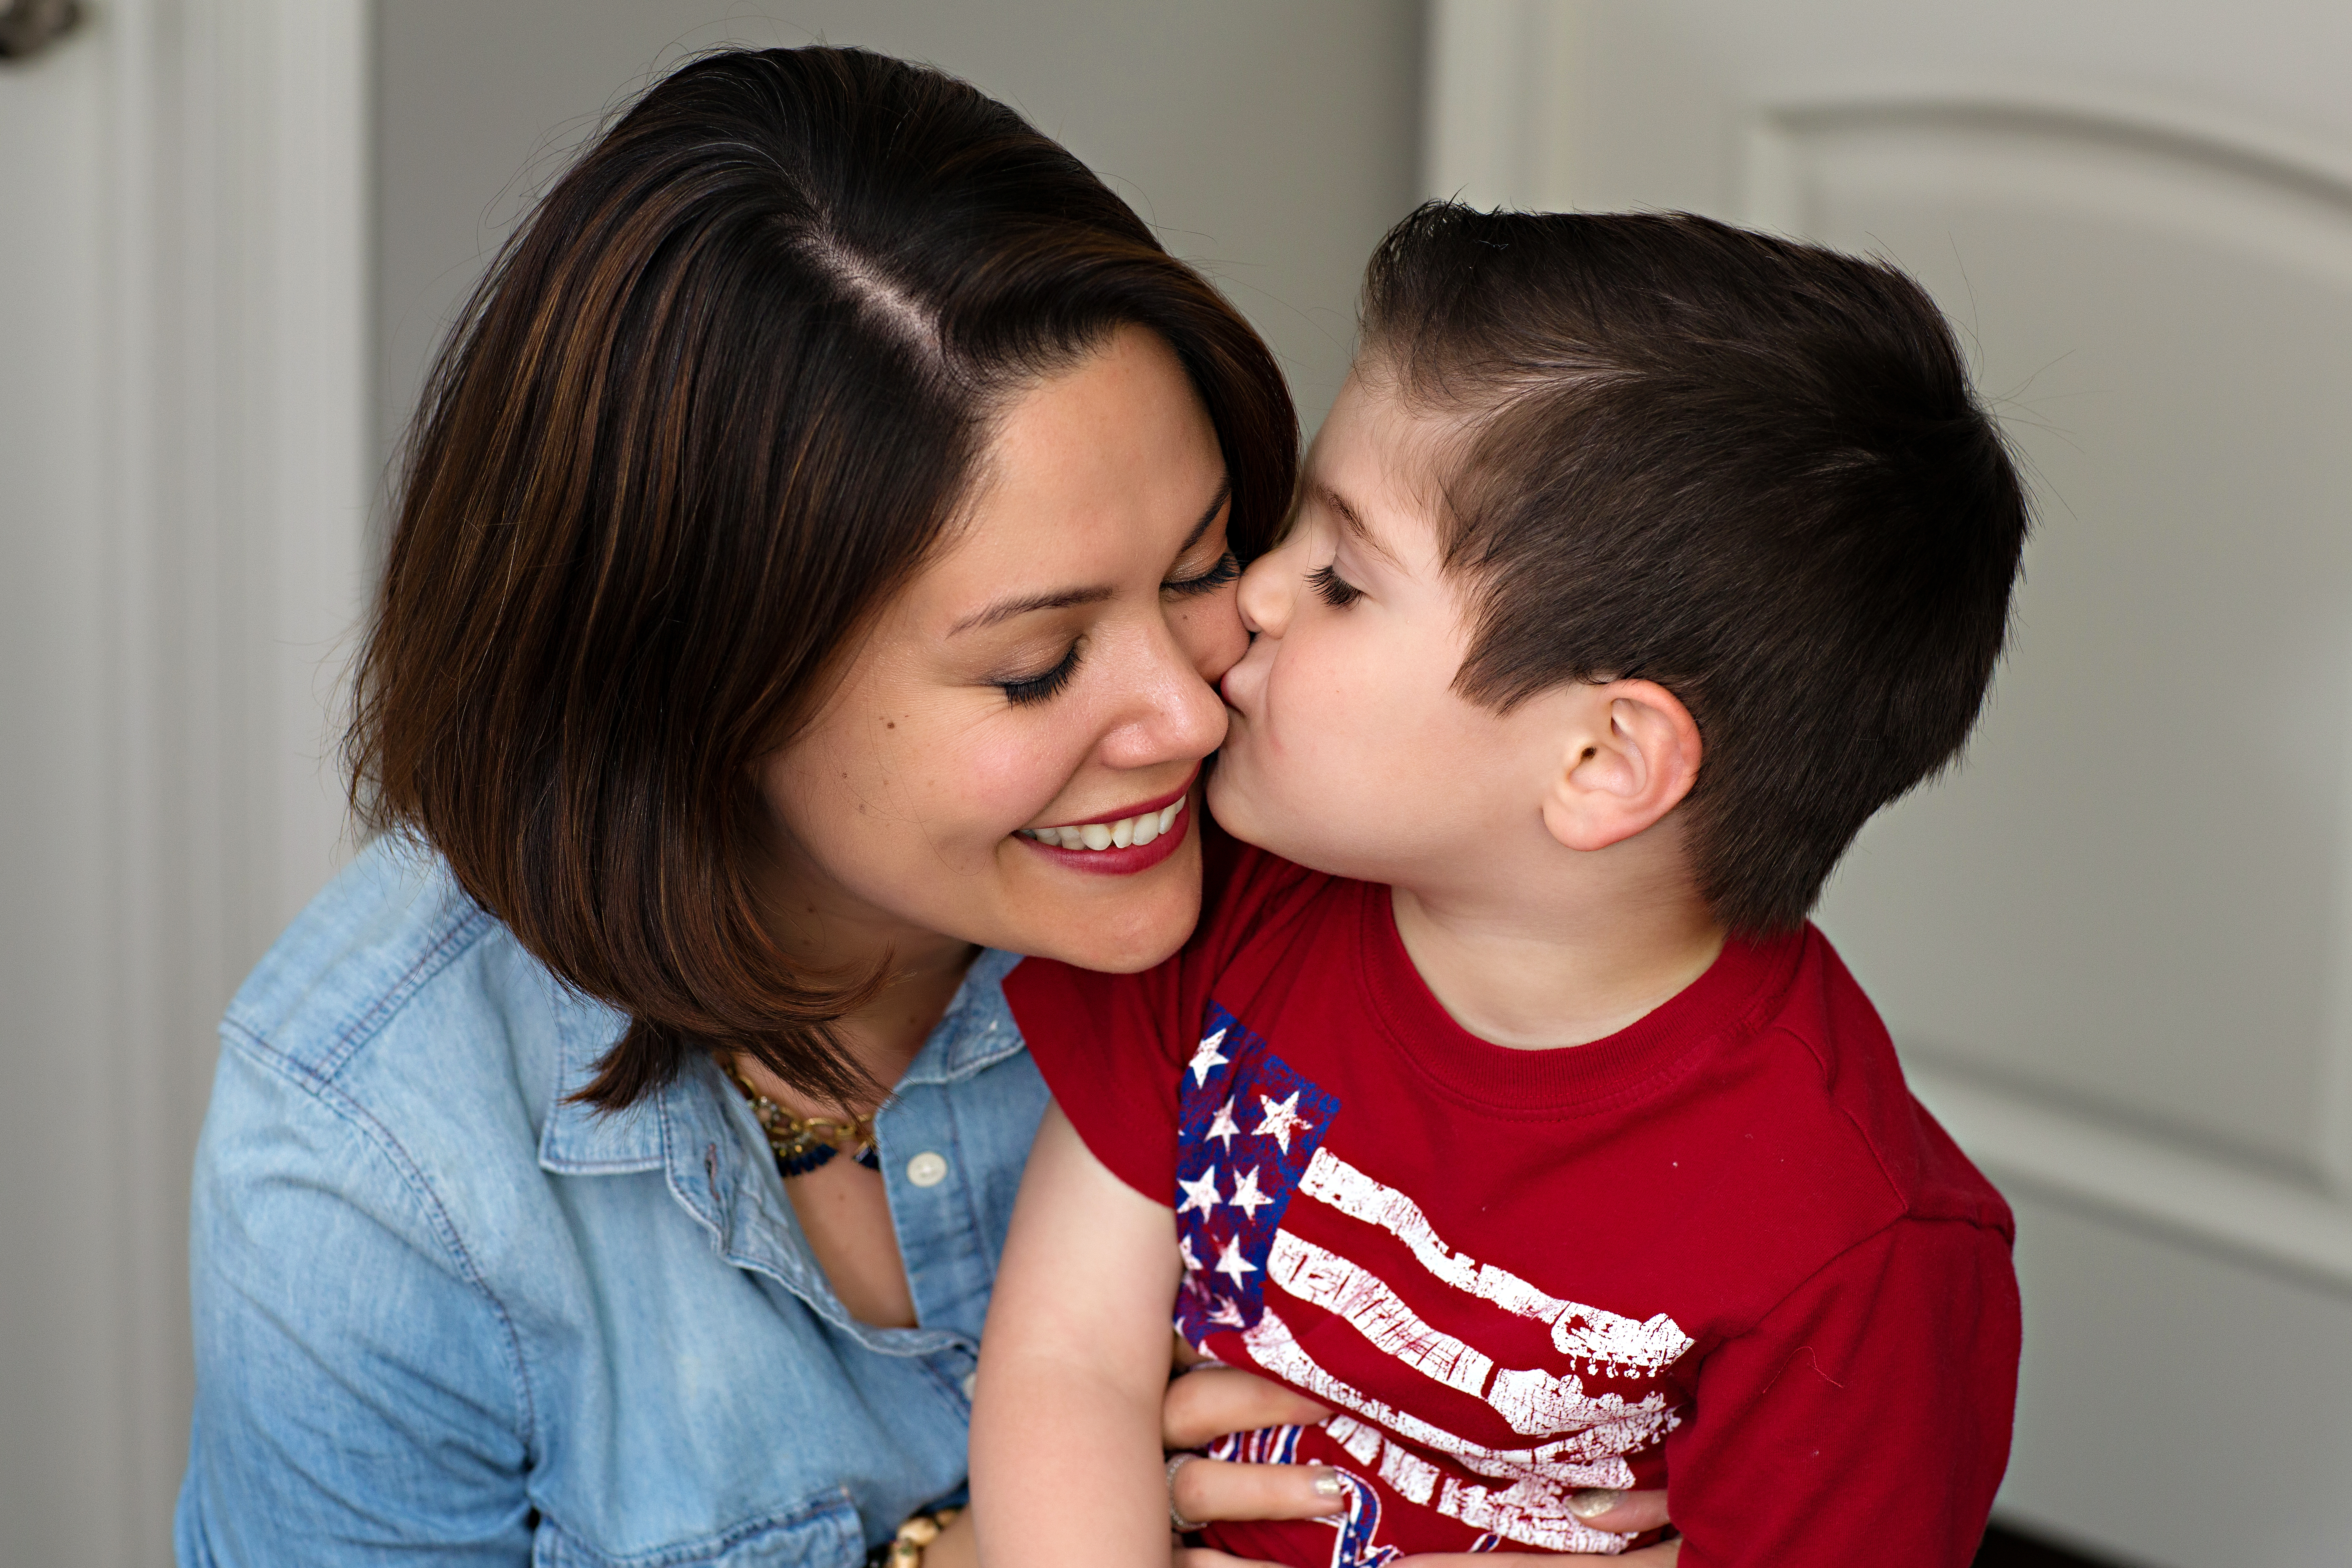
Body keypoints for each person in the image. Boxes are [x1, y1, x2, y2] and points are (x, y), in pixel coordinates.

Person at [174, 45, 1394, 1567]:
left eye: (1203, 566)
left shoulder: (1363, 878)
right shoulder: (376, 1159)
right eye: (1034, 666)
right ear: (702, 685)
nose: (1194, 710)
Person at [973, 205, 2030, 1567]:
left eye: (1344, 578)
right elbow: (1069, 1362)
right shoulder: (1220, 902)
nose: (1254, 595)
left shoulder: (1858, 1247)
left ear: (1602, 758)